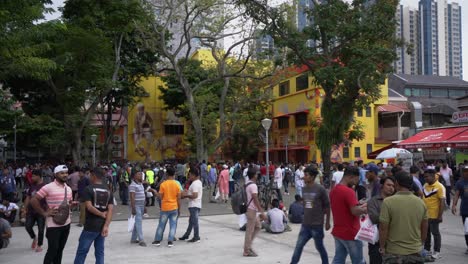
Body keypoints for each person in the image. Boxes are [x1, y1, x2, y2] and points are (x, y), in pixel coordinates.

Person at [379, 171, 428, 264]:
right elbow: (424, 227)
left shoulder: (388, 202)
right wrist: (420, 244)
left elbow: (383, 228)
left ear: (396, 183)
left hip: (394, 252)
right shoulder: (421, 203)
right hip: (415, 251)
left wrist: (382, 247)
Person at [31, 165, 73, 264]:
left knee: (59, 251)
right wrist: (44, 213)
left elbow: (68, 204)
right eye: (62, 173)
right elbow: (34, 200)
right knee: (52, 251)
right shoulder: (48, 187)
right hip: (53, 225)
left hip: (66, 223)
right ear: (55, 174)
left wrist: (71, 206)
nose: (65, 175)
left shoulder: (69, 188)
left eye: (66, 173)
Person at [291, 166, 331, 264]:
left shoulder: (320, 189)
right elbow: (305, 203)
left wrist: (327, 222)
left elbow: (327, 206)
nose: (304, 177)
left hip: (317, 225)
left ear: (312, 177)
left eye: (306, 175)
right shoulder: (304, 189)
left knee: (320, 247)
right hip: (305, 225)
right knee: (298, 246)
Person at [74, 167, 114, 264]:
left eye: (90, 175)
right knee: (100, 252)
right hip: (102, 226)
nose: (89, 177)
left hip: (90, 226)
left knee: (82, 252)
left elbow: (89, 207)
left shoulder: (88, 189)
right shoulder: (108, 191)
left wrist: (100, 214)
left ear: (94, 176)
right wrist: (106, 226)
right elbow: (110, 210)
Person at [330, 166, 368, 264]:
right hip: (350, 233)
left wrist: (358, 204)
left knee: (338, 259)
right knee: (358, 261)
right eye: (356, 180)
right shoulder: (348, 191)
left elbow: (343, 207)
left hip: (338, 231)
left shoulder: (334, 190)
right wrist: (367, 208)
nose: (356, 183)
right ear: (351, 177)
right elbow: (354, 211)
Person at [367, 176, 395, 264]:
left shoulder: (396, 201)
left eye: (393, 186)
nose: (391, 188)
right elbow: (374, 218)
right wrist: (390, 218)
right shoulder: (373, 201)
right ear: (381, 186)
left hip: (393, 241)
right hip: (376, 241)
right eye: (388, 185)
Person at [152, 166, 181, 247]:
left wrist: (155, 192)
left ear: (166, 174)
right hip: (174, 207)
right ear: (174, 174)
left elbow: (160, 197)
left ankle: (157, 240)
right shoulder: (177, 184)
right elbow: (179, 199)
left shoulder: (163, 184)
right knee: (173, 225)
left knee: (161, 224)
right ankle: (170, 241)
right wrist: (179, 209)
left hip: (165, 208)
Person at [422, 169, 445, 260]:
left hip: (434, 215)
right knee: (426, 234)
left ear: (433, 176)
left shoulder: (440, 187)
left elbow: (442, 202)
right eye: (424, 177)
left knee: (435, 233)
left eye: (427, 177)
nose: (425, 179)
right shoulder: (425, 185)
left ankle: (437, 251)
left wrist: (440, 215)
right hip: (425, 215)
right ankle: (427, 250)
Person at [243, 167, 266, 257]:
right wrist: (262, 212)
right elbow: (255, 199)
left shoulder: (247, 183)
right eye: (256, 174)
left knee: (258, 226)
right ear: (253, 175)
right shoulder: (253, 185)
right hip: (251, 210)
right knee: (250, 230)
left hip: (250, 209)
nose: (258, 175)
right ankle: (247, 250)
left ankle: (248, 245)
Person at [23, 169, 46, 252]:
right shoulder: (31, 186)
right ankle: (34, 237)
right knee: (28, 226)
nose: (32, 178)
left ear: (39, 176)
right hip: (31, 211)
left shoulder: (45, 186)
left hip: (41, 211)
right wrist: (24, 208)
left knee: (41, 229)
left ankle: (39, 245)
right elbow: (28, 197)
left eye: (33, 176)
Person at [179, 167, 203, 242]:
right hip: (196, 204)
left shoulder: (195, 184)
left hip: (194, 205)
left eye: (190, 175)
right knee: (191, 221)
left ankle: (196, 236)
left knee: (194, 222)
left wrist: (185, 195)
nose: (189, 176)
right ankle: (186, 235)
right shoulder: (198, 182)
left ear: (193, 175)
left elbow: (195, 195)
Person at [451, 166, 468, 254]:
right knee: (467, 230)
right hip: (465, 210)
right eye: (464, 171)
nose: (466, 172)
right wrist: (454, 205)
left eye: (467, 171)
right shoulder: (460, 183)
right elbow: (456, 195)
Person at [129, 171, 147, 247]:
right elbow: (132, 197)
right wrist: (133, 208)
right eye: (139, 174)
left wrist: (145, 206)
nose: (141, 175)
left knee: (137, 222)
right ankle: (141, 239)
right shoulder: (132, 185)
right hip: (136, 205)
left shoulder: (141, 184)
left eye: (141, 174)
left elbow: (143, 195)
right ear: (134, 176)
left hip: (141, 205)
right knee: (139, 222)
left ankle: (133, 239)